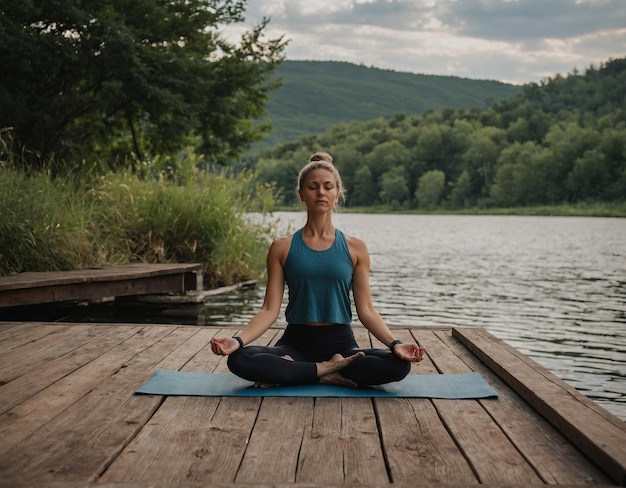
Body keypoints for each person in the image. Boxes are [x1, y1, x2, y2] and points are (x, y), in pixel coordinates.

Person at [210, 151, 425, 387]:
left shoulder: (356, 248)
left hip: (341, 345)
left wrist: (395, 344)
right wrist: (238, 341)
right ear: (301, 194)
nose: (321, 192)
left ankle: (299, 373)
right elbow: (270, 310)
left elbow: (366, 311)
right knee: (239, 359)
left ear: (337, 194)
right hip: (295, 344)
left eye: (328, 186)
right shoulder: (282, 247)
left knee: (398, 364)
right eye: (313, 187)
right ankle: (328, 373)